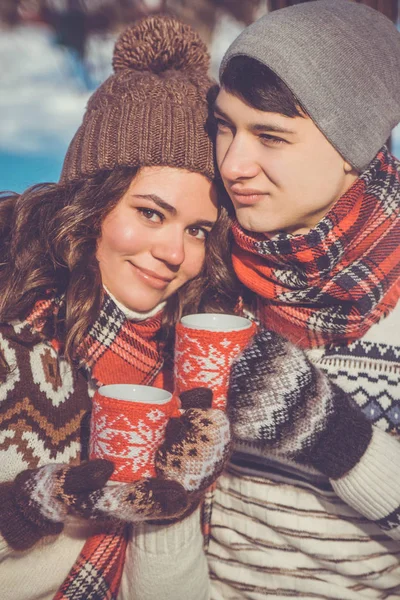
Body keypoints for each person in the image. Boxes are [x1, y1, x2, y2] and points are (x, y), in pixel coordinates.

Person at [0, 15, 235, 600]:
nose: (175, 253)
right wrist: (30, 505)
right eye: (151, 213)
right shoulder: (14, 333)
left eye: (200, 229)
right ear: (91, 205)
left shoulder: (193, 366)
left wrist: (171, 502)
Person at [207, 1, 400, 598]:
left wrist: (336, 437)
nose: (235, 163)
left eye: (270, 136)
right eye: (224, 126)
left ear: (353, 148)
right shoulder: (210, 273)